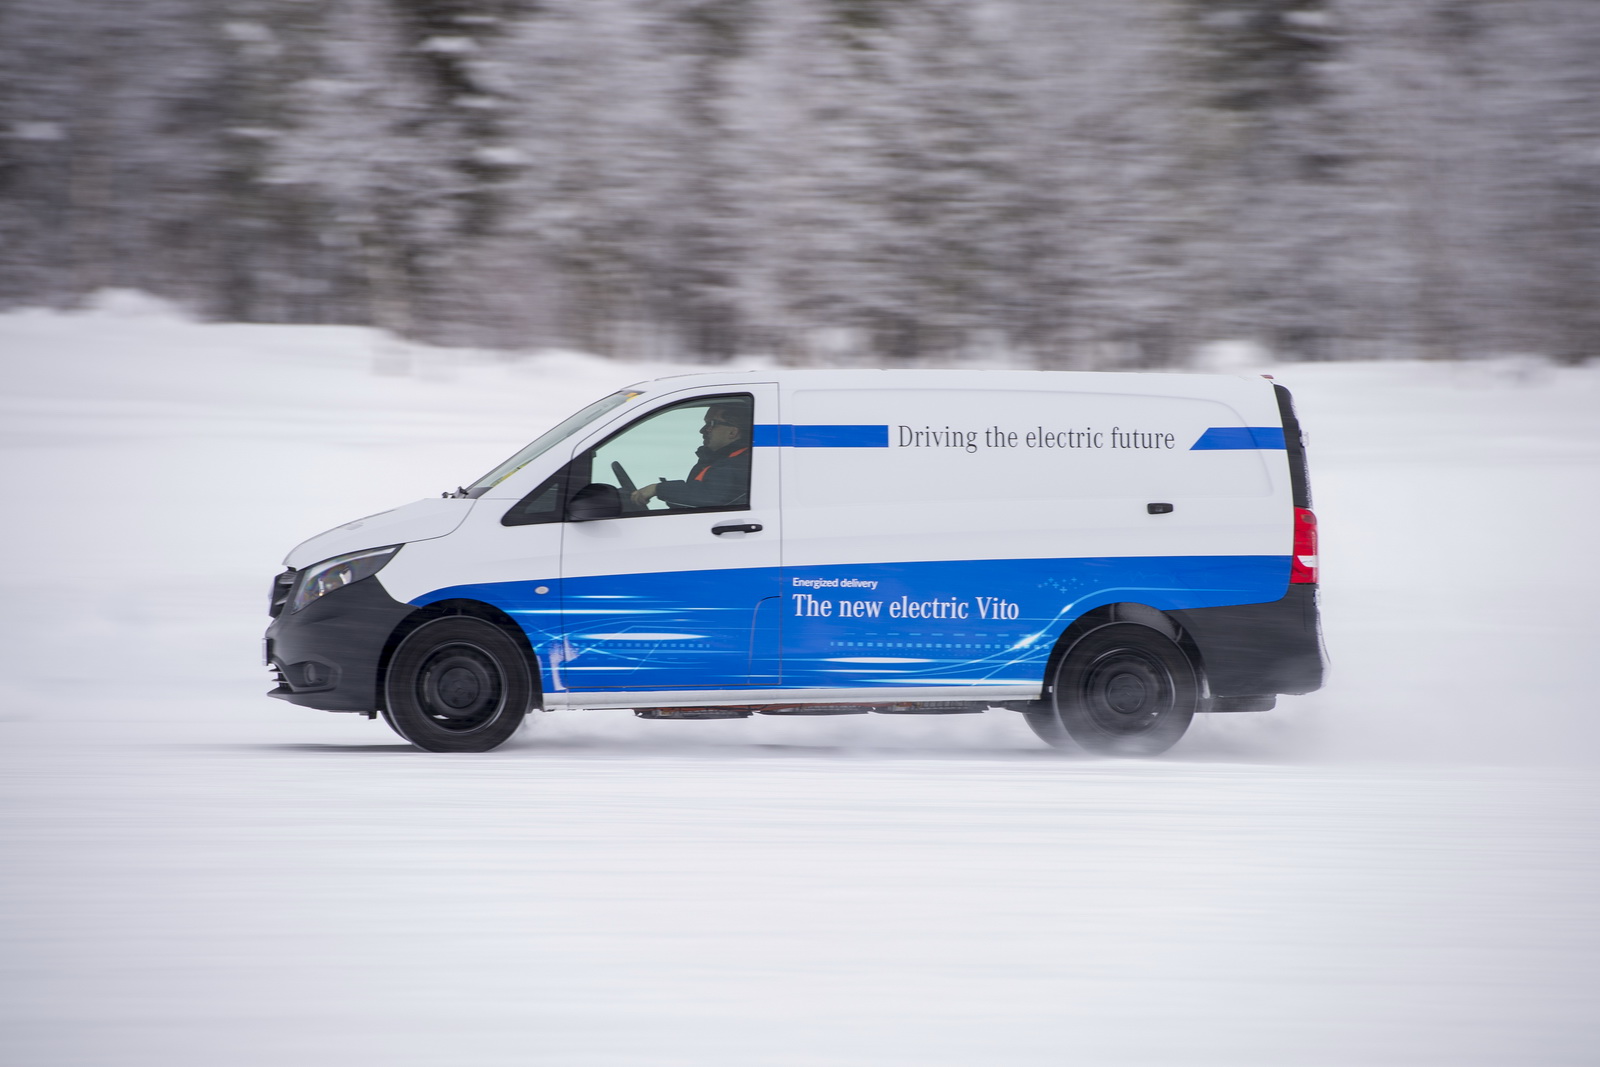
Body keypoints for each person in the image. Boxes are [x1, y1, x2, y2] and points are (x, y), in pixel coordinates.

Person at [630, 402, 752, 510]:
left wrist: (657, 489)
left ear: (733, 432)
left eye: (711, 424)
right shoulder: (719, 459)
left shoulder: (738, 464)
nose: (703, 430)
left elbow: (709, 496)